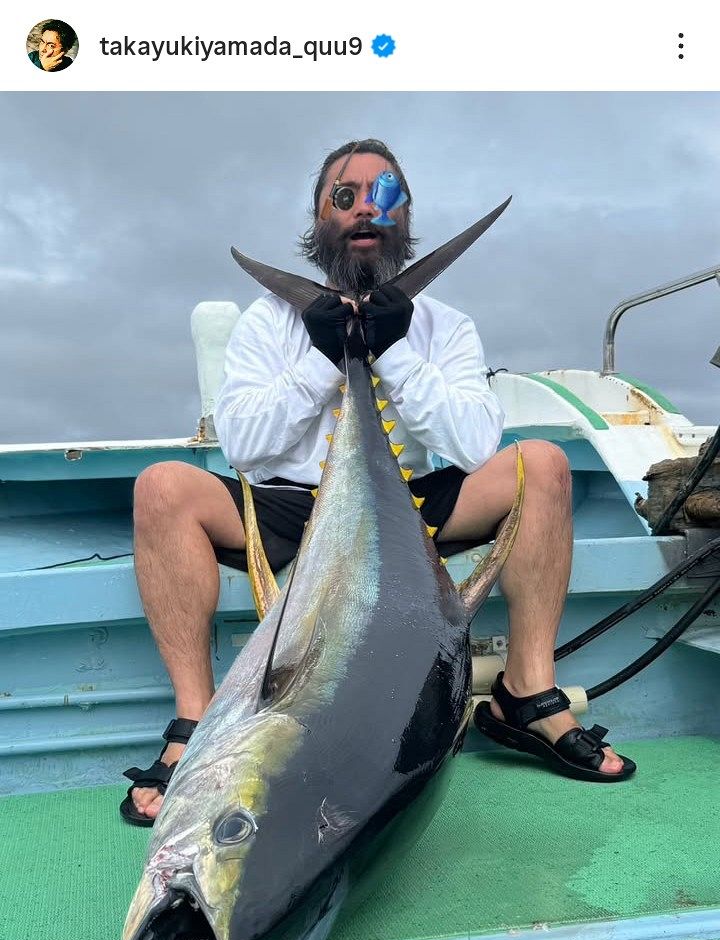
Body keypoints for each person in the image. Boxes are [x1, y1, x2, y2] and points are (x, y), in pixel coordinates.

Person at [122, 138, 635, 826]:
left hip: (411, 506)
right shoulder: (267, 324)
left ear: (405, 216)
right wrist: (321, 358)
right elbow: (244, 447)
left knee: (540, 464)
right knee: (161, 487)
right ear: (319, 218)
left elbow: (477, 441)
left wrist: (393, 350)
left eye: (385, 195)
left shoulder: (445, 325)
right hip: (291, 507)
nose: (367, 207)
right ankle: (198, 717)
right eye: (346, 195)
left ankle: (525, 692)